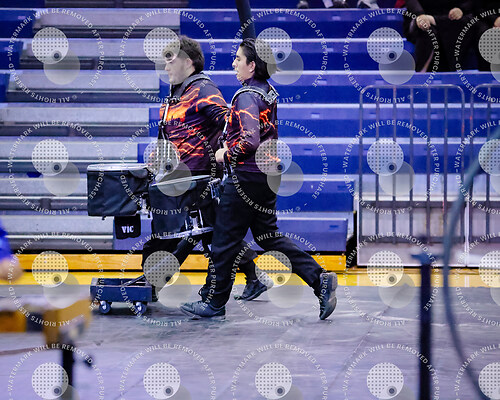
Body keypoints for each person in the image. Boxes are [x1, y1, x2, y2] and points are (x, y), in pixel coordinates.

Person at [180, 38, 338, 320]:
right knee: (269, 236)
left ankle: (214, 302)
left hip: (246, 177)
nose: (234, 64)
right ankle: (320, 279)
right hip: (266, 177)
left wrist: (225, 154)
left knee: (224, 241)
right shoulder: (267, 91)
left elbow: (250, 140)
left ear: (252, 65)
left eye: (238, 59)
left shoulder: (246, 96)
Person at [142, 35, 271, 302]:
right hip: (179, 178)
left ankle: (153, 283)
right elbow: (170, 134)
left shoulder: (203, 89)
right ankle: (253, 276)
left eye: (170, 60)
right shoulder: (175, 93)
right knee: (211, 230)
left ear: (188, 62)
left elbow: (230, 124)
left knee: (182, 233)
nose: (165, 67)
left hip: (199, 178)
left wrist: (225, 155)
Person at [403, 0, 474, 72]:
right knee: (428, 31)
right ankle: (421, 72)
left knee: (465, 24)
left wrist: (461, 9)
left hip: (449, 18)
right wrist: (420, 14)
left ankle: (434, 20)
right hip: (421, 16)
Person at [474, 0, 500, 71]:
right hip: (486, 19)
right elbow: (477, 8)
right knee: (484, 33)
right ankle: (486, 72)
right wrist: (495, 19)